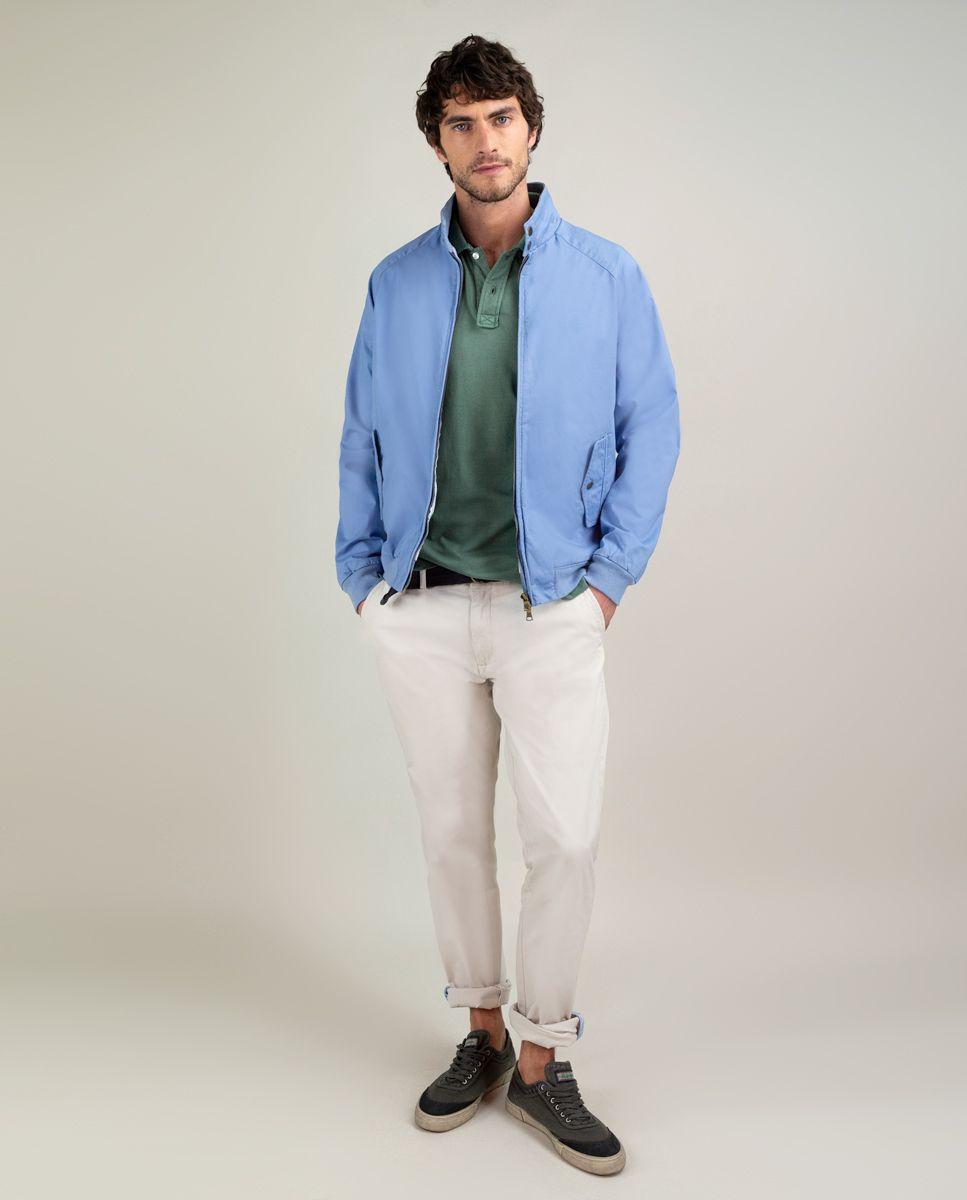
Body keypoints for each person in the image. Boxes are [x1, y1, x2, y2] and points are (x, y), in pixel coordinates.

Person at [334, 33, 680, 1176]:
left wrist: (607, 583)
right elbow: (361, 432)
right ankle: (480, 1033)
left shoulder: (607, 276)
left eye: (500, 118)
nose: (485, 142)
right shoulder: (396, 282)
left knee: (562, 839)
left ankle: (542, 1056)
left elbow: (651, 426)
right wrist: (364, 583)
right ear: (437, 143)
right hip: (424, 601)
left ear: (530, 129)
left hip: (551, 606)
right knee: (449, 836)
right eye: (461, 123)